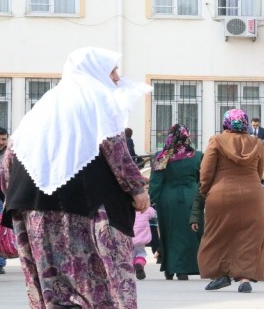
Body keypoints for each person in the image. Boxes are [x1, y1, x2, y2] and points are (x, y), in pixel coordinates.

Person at [0, 47, 151, 308]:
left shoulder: (47, 103)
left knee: (54, 287)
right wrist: (137, 189)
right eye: (112, 70)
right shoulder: (99, 98)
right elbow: (115, 149)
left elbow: (9, 159)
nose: (117, 77)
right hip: (87, 209)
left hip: (33, 207)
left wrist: (11, 195)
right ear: (95, 72)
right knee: (98, 285)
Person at [196, 109, 264, 294]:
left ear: (225, 123)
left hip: (221, 193)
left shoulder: (217, 141)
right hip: (252, 193)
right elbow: (260, 171)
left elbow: (206, 171)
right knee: (250, 236)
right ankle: (245, 278)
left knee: (218, 234)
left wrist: (205, 190)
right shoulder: (257, 143)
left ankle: (220, 275)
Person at [149, 123, 203, 281]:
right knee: (187, 232)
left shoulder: (163, 155)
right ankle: (184, 269)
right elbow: (202, 179)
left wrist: (150, 199)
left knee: (169, 232)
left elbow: (156, 181)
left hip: (168, 198)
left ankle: (170, 268)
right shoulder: (197, 156)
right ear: (187, 136)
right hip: (191, 196)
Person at [132, 204, 156, 280]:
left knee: (128, 255)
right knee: (141, 253)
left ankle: (130, 269)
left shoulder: (125, 208)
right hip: (141, 239)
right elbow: (153, 214)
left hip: (128, 238)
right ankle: (139, 263)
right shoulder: (147, 209)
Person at [0, 126, 8, 275]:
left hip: (4, 197)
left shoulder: (9, 153)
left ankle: (0, 262)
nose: (1, 142)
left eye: (4, 139)